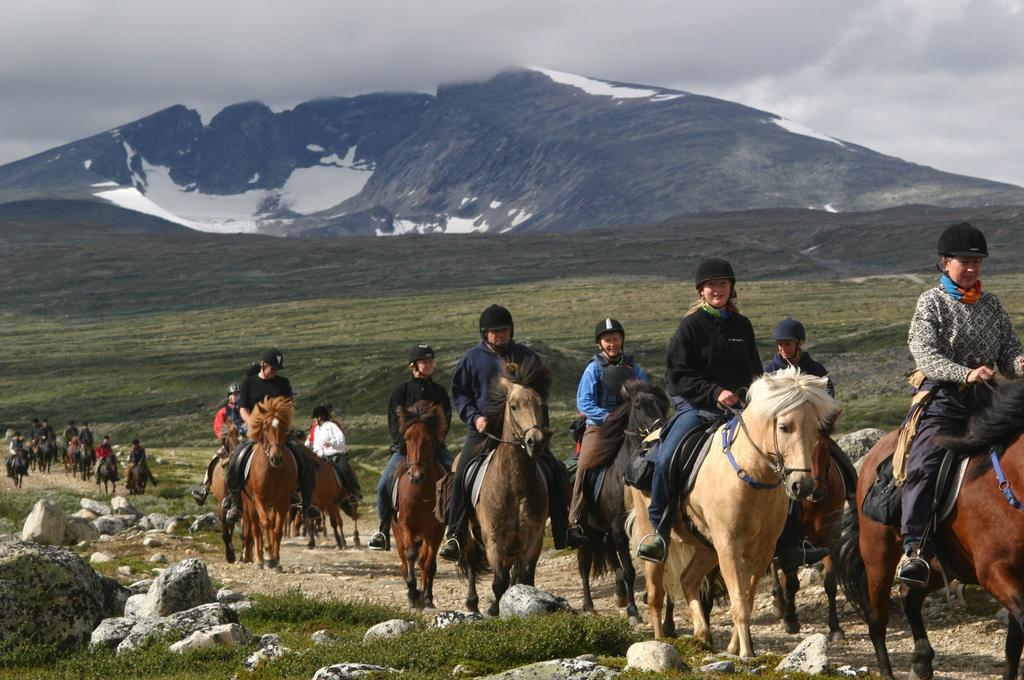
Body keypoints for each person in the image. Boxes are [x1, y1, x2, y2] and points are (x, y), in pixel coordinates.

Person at [897, 222, 1024, 586]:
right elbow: (924, 354)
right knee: (923, 462)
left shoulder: (992, 304)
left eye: (976, 262)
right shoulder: (931, 302)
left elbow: (1009, 354)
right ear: (945, 263)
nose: (971, 268)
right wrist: (964, 373)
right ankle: (915, 548)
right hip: (943, 400)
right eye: (964, 261)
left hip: (987, 399)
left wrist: (1020, 363)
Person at [637, 257, 764, 563]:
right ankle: (659, 530)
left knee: (780, 453)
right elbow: (678, 374)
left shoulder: (742, 326)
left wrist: (758, 396)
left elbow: (755, 370)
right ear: (701, 291)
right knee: (668, 456)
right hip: (697, 407)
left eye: (722, 283)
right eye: (711, 285)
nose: (717, 289)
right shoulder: (690, 327)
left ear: (731, 288)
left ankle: (789, 538)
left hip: (740, 408)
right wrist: (714, 392)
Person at [439, 305, 572, 561]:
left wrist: (539, 426)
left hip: (524, 430)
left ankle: (563, 529)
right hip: (485, 430)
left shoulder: (526, 356)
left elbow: (540, 394)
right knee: (460, 475)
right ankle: (455, 535)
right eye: (494, 331)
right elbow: (460, 394)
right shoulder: (471, 359)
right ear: (485, 333)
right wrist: (475, 417)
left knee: (555, 470)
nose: (500, 335)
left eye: (504, 330)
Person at [566, 319, 650, 546]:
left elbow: (644, 395)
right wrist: (609, 418)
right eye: (607, 340)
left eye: (615, 339)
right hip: (600, 426)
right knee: (584, 464)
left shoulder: (634, 367)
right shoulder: (594, 368)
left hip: (631, 426)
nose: (612, 343)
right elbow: (584, 402)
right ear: (599, 344)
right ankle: (575, 517)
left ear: (621, 339)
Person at [763, 318, 834, 571]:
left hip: (813, 435)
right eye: (780, 343)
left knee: (843, 465)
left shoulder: (815, 369)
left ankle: (853, 502)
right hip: (786, 440)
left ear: (799, 343)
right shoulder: (771, 373)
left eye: (788, 343)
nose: (783, 348)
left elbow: (829, 401)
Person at [368, 344, 453, 551]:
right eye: (425, 362)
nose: (429, 365)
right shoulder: (402, 391)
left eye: (431, 361)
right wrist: (401, 442)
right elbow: (392, 420)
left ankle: (455, 532)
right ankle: (383, 528)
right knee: (383, 485)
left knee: (456, 481)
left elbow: (446, 420)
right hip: (405, 449)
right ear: (414, 366)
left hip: (434, 449)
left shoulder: (439, 392)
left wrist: (436, 442)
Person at [222, 348, 320, 523]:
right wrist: (251, 422)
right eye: (273, 368)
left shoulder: (283, 383)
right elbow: (243, 407)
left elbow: (290, 406)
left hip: (279, 431)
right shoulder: (249, 383)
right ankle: (235, 501)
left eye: (277, 369)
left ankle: (306, 502)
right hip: (255, 431)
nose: (275, 371)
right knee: (236, 458)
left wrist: (282, 420)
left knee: (303, 457)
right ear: (263, 364)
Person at [310, 403, 362, 511]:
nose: (315, 420)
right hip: (322, 457)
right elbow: (315, 445)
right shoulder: (316, 430)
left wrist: (331, 443)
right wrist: (318, 453)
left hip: (336, 454)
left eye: (316, 418)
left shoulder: (332, 426)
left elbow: (341, 438)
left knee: (344, 469)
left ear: (319, 417)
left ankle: (352, 493)